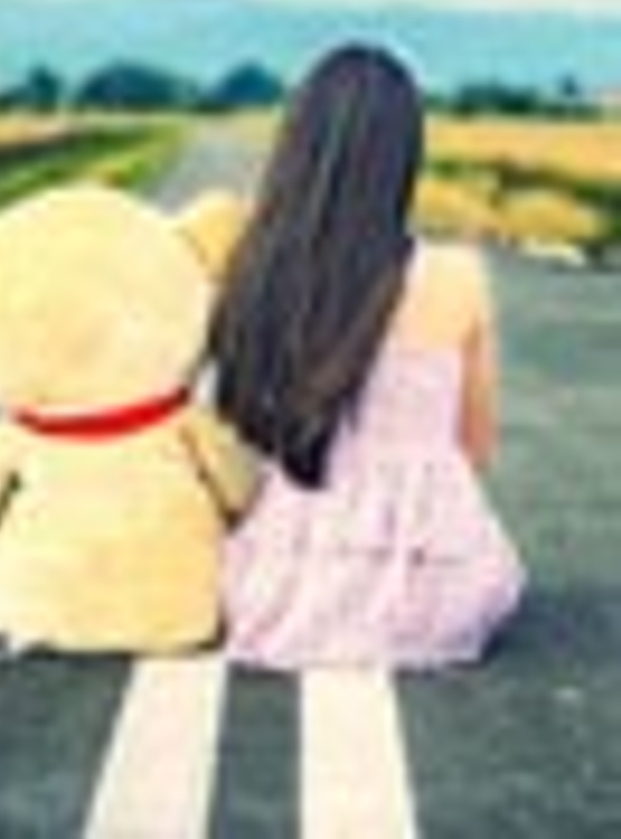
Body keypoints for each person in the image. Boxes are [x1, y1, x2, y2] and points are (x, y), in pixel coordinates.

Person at [209, 43, 525, 671]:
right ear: (405, 156)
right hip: (435, 587)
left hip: (279, 584)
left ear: (296, 147)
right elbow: (475, 447)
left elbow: (233, 432)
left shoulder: (255, 269)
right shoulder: (456, 276)